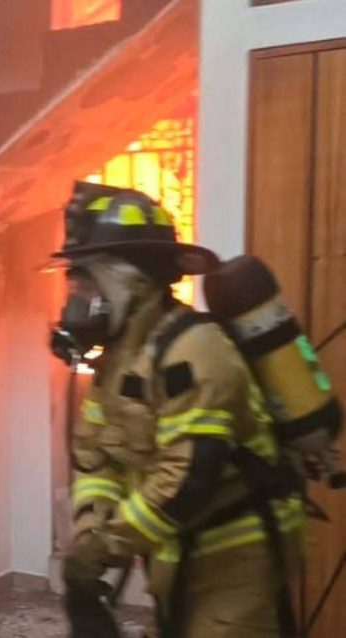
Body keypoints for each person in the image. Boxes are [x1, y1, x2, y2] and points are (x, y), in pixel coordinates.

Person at [51, 182, 304, 638]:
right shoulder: (116, 362)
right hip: (177, 551)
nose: (76, 299)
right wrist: (89, 531)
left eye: (86, 282)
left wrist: (106, 545)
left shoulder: (195, 350)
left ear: (128, 282)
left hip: (238, 556)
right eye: (74, 283)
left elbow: (188, 479)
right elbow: (96, 459)